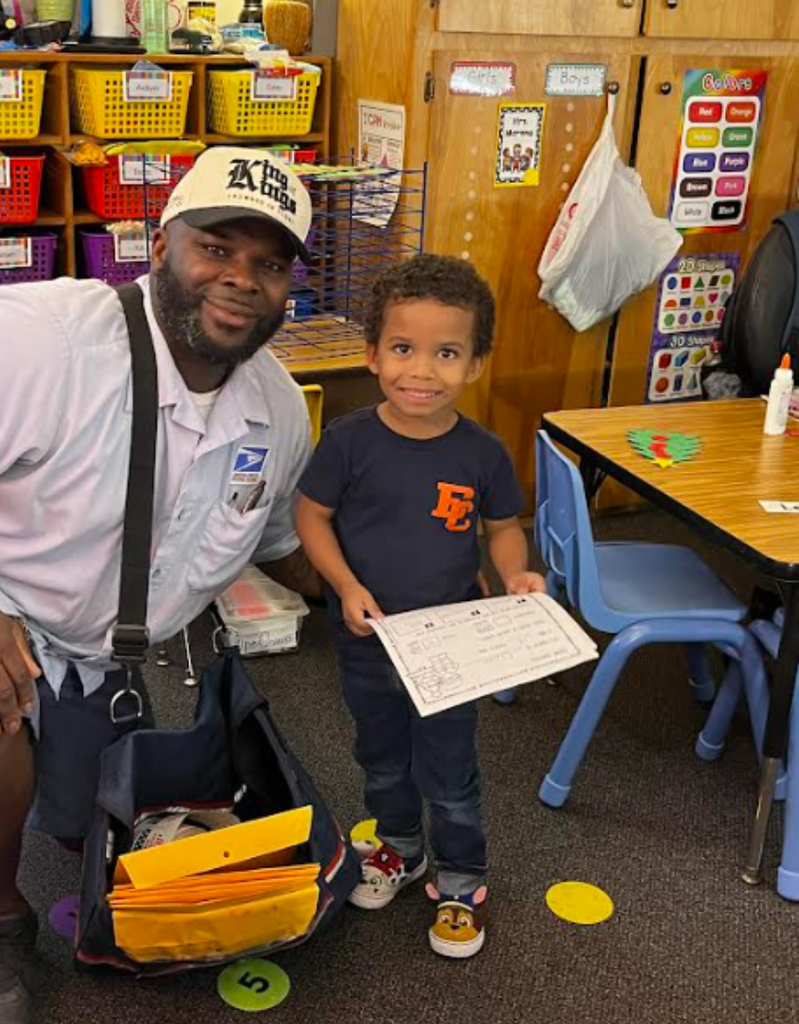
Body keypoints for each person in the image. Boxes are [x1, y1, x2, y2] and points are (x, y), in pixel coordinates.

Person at [0, 146, 320, 1024]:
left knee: (86, 819)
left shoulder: (278, 409)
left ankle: (48, 759)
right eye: (217, 249)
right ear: (162, 246)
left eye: (269, 264)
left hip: (90, 640)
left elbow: (284, 545)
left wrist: (392, 590)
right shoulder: (43, 338)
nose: (241, 280)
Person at [295, 254, 545, 960]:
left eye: (446, 353)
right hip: (368, 637)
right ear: (373, 354)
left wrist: (515, 574)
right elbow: (311, 516)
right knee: (380, 755)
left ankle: (461, 877)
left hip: (452, 641)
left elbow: (501, 529)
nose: (422, 371)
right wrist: (344, 585)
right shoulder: (347, 441)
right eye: (404, 348)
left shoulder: (484, 453)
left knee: (450, 765)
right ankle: (399, 849)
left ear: (474, 363)